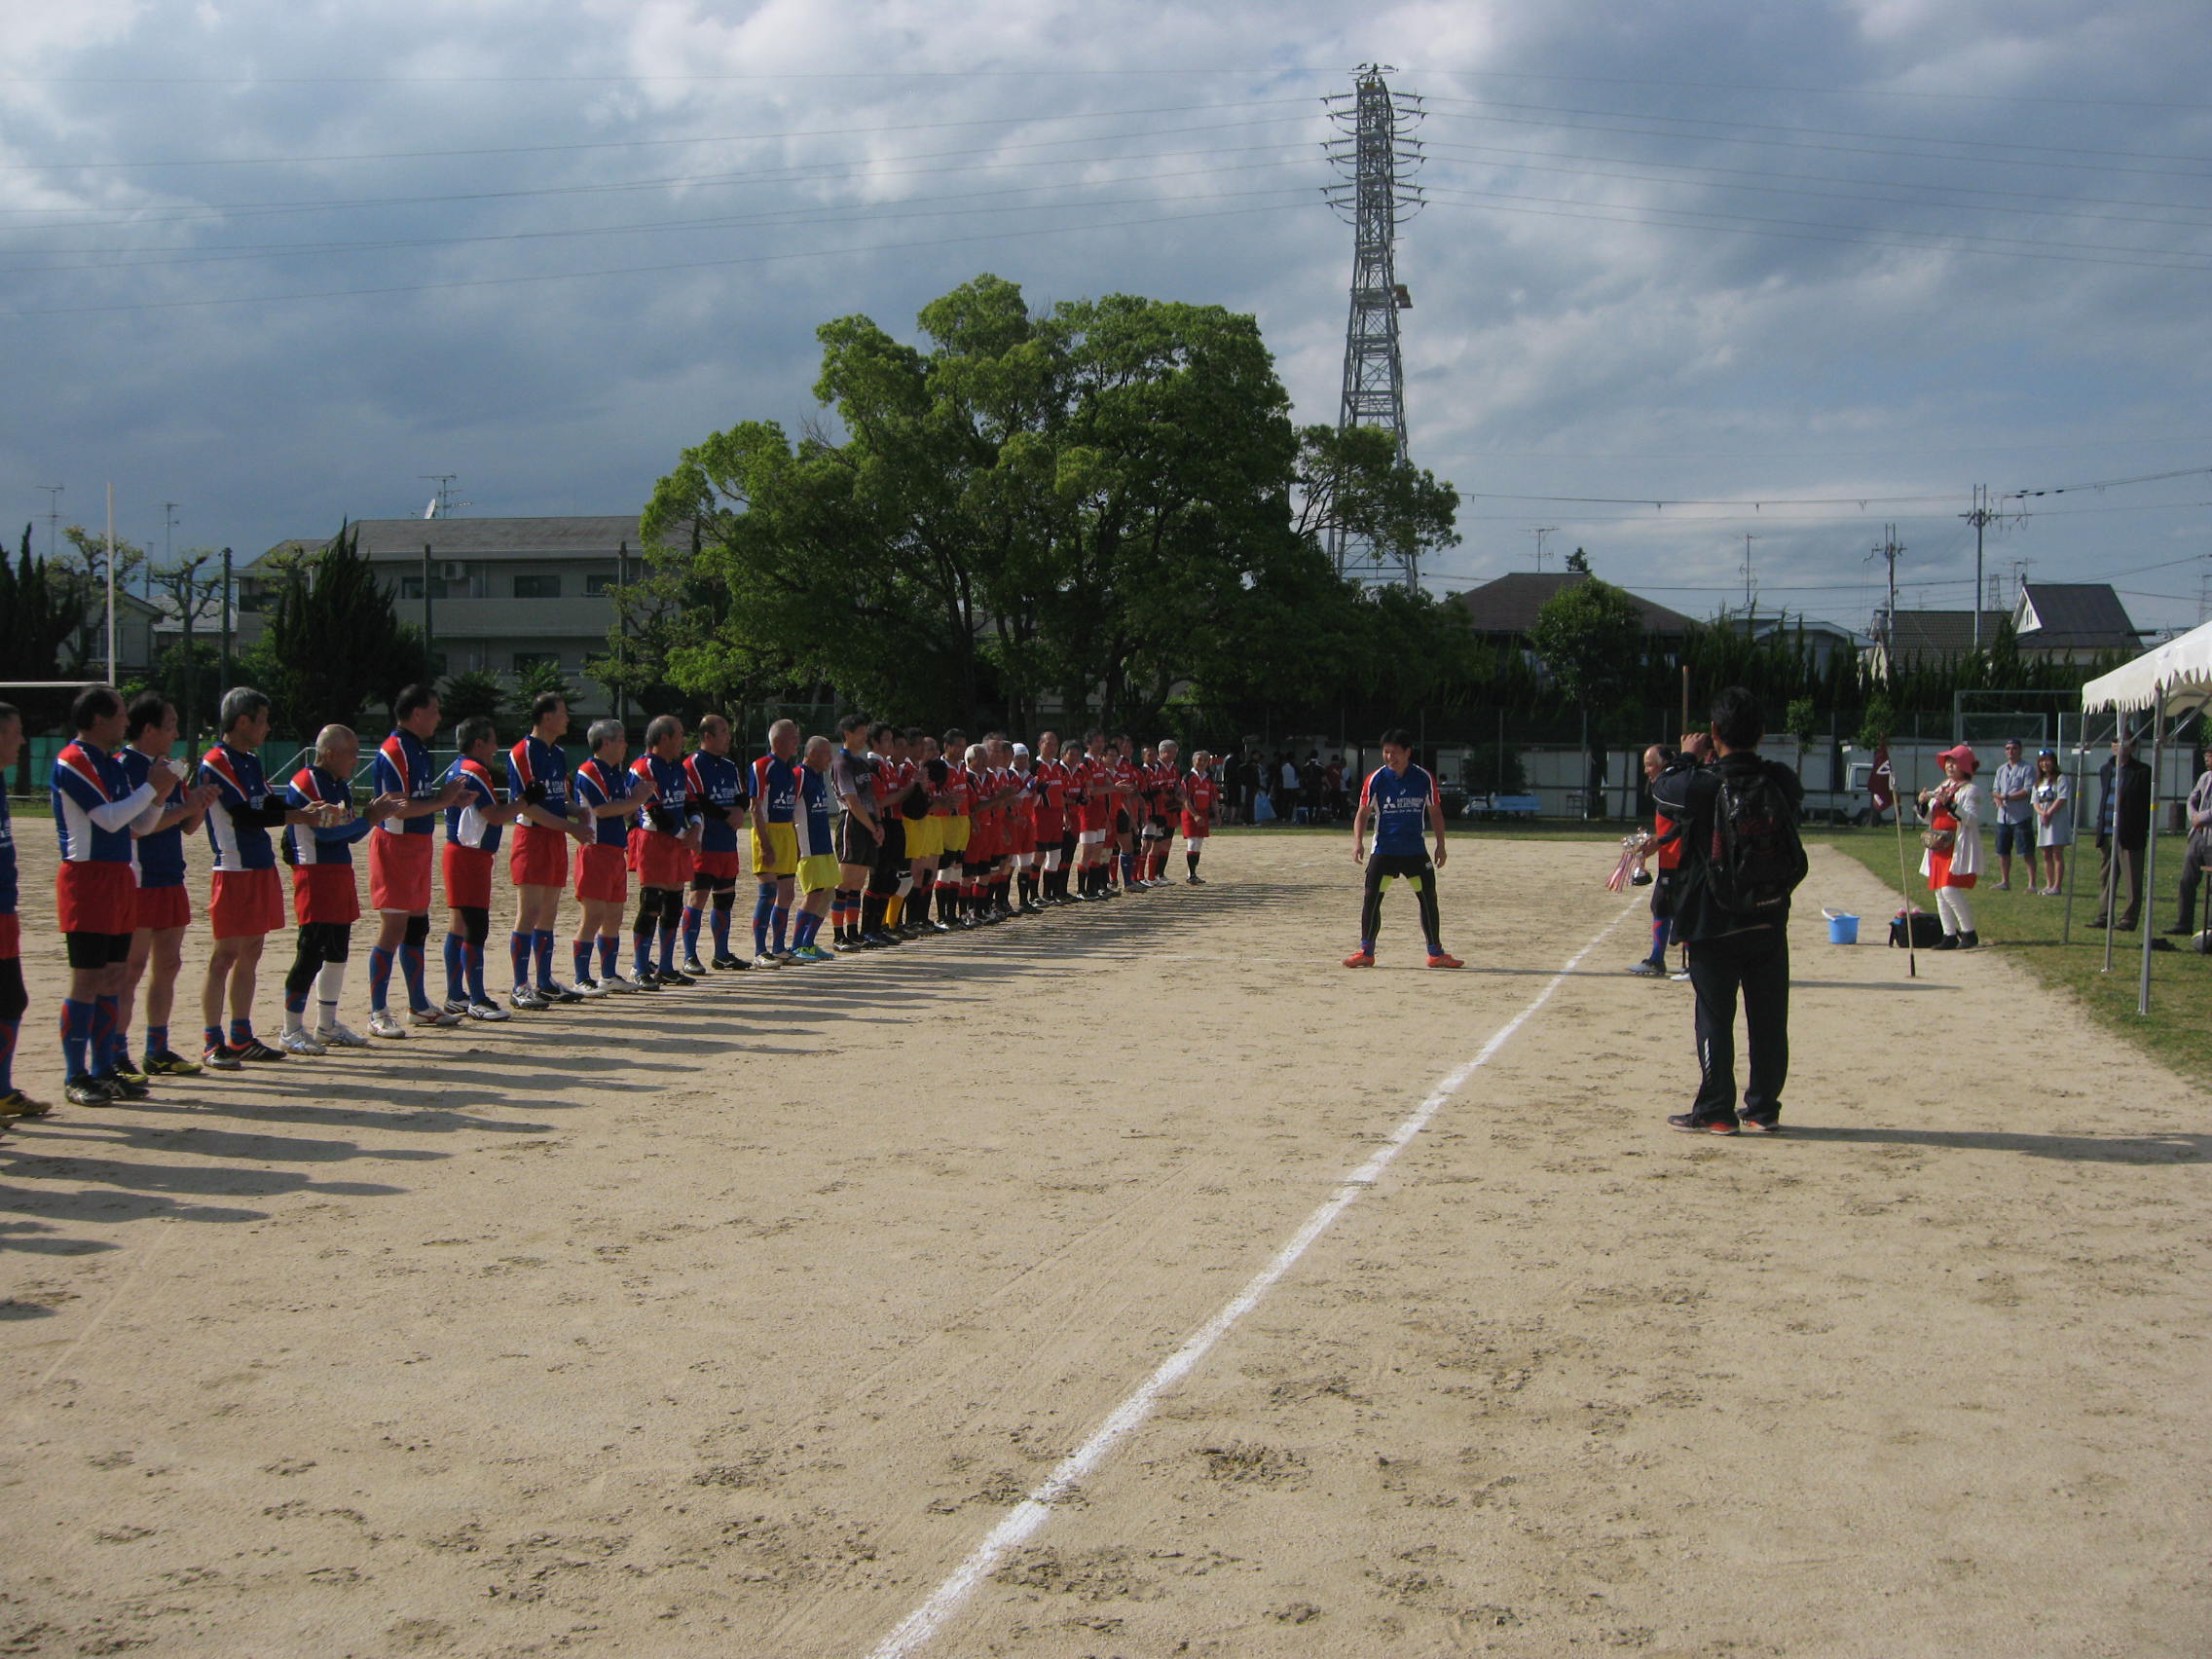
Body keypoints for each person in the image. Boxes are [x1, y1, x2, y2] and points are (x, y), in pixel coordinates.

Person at [1649, 686, 1803, 1133]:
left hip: (1712, 916)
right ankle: (1763, 1109)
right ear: (1761, 733)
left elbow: (1662, 790)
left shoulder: (1699, 782)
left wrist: (1685, 756)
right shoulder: (1779, 780)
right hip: (1768, 911)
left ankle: (1716, 1108)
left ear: (1714, 731)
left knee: (1715, 1015)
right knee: (1769, 1016)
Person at [200, 686, 345, 1071]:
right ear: (243, 721)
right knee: (225, 956)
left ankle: (241, 1035)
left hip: (259, 866)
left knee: (251, 953)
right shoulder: (216, 760)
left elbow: (267, 801)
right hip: (232, 868)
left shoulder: (248, 761)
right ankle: (213, 1040)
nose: (267, 728)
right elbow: (244, 812)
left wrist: (303, 809)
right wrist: (301, 815)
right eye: (262, 720)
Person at [47, 687, 173, 1106]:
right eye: (120, 715)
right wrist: (150, 787)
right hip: (87, 877)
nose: (126, 722)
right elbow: (108, 819)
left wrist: (159, 792)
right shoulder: (75, 759)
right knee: (88, 977)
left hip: (119, 876)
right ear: (98, 720)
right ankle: (76, 1073)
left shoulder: (107, 763)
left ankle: (104, 1067)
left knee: (115, 976)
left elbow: (138, 824)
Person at [279, 726, 405, 1052]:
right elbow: (325, 835)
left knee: (337, 951)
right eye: (350, 753)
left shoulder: (339, 785)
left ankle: (327, 1024)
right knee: (310, 951)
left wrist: (367, 819)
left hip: (339, 872)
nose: (355, 759)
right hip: (314, 873)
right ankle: (291, 1028)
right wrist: (370, 818)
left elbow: (348, 834)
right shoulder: (307, 782)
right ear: (330, 753)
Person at [117, 694, 214, 1078]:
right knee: (132, 967)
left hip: (171, 874)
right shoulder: (126, 767)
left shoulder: (169, 767)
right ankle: (117, 1051)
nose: (176, 733)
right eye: (170, 725)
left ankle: (156, 1047)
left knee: (168, 964)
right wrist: (184, 808)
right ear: (148, 729)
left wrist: (199, 804)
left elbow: (186, 826)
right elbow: (139, 826)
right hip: (140, 878)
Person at [364, 684, 468, 1037]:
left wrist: (449, 798)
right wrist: (443, 802)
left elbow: (422, 800)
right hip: (395, 846)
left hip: (419, 845)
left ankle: (418, 1004)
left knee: (417, 927)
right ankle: (378, 1010)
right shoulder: (395, 749)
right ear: (417, 713)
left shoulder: (417, 749)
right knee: (393, 928)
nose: (439, 717)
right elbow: (399, 806)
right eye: (434, 710)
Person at [1344, 727, 1462, 970]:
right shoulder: (1376, 779)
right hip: (1384, 851)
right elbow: (1363, 813)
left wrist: (1441, 845)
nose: (1389, 757)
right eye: (1386, 752)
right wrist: (1358, 842)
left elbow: (1435, 812)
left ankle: (1435, 953)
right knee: (1371, 899)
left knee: (1428, 899)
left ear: (1408, 752)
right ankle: (1366, 951)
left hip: (1415, 852)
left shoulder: (1423, 778)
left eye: (1395, 753)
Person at [506, 692, 591, 1009]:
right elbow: (529, 807)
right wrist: (573, 827)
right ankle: (519, 985)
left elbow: (557, 798)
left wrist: (576, 810)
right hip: (533, 838)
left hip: (554, 837)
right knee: (528, 911)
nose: (567, 719)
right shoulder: (524, 752)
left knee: (549, 912)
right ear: (546, 718)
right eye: (562, 713)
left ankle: (544, 981)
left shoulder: (557, 752)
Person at [439, 715, 525, 1020]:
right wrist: (525, 802)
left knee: (460, 924)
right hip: (469, 855)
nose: (495, 748)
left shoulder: (458, 766)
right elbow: (495, 814)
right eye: (491, 741)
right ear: (479, 743)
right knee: (475, 924)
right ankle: (475, 997)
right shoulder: (475, 770)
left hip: (462, 853)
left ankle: (455, 995)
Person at [570, 719, 647, 992]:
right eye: (621, 739)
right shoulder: (590, 770)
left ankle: (609, 974)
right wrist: (637, 799)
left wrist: (635, 800)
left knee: (614, 915)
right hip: (595, 849)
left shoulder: (616, 772)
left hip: (616, 850)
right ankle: (581, 977)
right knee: (593, 915)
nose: (625, 745)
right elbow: (602, 810)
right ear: (606, 743)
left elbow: (624, 810)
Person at [627, 714, 701, 986]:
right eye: (680, 735)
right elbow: (653, 810)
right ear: (664, 738)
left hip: (677, 843)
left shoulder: (678, 768)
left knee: (673, 904)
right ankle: (640, 967)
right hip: (654, 841)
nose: (684, 740)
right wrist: (686, 835)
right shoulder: (643, 767)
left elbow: (691, 801)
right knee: (651, 903)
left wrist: (695, 827)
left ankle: (667, 966)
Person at [680, 713, 751, 972]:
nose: (728, 737)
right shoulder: (694, 763)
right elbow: (697, 799)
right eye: (723, 732)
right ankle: (689, 955)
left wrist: (740, 811)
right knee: (698, 896)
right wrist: (726, 814)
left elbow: (743, 796)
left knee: (725, 898)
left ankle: (721, 953)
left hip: (727, 843)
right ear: (707, 736)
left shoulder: (730, 766)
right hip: (706, 842)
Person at [1916, 744, 1984, 950]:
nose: (1950, 766)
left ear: (1964, 766)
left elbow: (1970, 819)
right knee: (1939, 891)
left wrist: (1950, 805)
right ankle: (1949, 934)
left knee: (1949, 889)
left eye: (1955, 762)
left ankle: (1969, 932)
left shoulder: (1970, 790)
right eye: (1948, 762)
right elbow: (1929, 816)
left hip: (1956, 845)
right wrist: (1922, 803)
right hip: (1939, 845)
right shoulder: (1943, 786)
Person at [750, 718, 803, 965]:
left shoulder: (789, 771)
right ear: (778, 740)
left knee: (787, 893)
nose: (797, 742)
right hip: (768, 831)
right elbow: (755, 807)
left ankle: (779, 947)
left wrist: (795, 838)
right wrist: (765, 843)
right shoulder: (762, 766)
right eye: (793, 738)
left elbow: (791, 808)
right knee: (768, 891)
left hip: (786, 831)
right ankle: (760, 951)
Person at [0, 704, 30, 1122]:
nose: (22, 741)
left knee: (12, 999)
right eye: (15, 733)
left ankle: (3, 1092)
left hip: (5, 909)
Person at [830, 714, 880, 951]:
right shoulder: (842, 763)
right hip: (852, 823)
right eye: (861, 732)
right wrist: (871, 826)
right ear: (848, 734)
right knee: (845, 880)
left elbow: (871, 798)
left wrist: (878, 825)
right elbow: (852, 801)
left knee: (858, 881)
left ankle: (853, 931)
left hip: (868, 823)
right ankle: (839, 935)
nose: (865, 737)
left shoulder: (861, 763)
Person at [2092, 737, 2152, 932]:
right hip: (2108, 831)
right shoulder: (2106, 769)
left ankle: (2128, 919)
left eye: (2123, 742)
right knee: (2107, 877)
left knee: (2131, 879)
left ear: (2132, 747)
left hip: (2129, 833)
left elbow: (2143, 805)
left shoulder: (2142, 772)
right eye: (2115, 741)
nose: (2118, 745)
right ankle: (2103, 915)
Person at [789, 734, 840, 961]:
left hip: (824, 844)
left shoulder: (819, 777)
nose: (830, 758)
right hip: (807, 845)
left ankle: (809, 943)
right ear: (812, 754)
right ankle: (797, 945)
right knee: (813, 892)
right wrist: (793, 843)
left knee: (828, 892)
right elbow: (788, 809)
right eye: (826, 753)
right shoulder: (799, 775)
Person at [2167, 743, 2212, 935]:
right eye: (2206, 755)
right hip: (2198, 836)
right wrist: (2193, 816)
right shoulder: (2205, 777)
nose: (2206, 759)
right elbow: (2191, 799)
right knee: (2187, 880)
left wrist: (2201, 818)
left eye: (2210, 755)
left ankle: (2210, 928)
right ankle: (2183, 923)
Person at [1989, 738, 2035, 892]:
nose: (2011, 751)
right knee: (2002, 851)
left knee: (2026, 851)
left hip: (2020, 816)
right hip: (2003, 817)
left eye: (2014, 748)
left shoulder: (2027, 768)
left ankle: (2032, 884)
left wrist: (2007, 797)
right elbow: (1995, 789)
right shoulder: (2001, 769)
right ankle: (2005, 881)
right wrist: (1998, 799)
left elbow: (2027, 791)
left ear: (2020, 750)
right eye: (2008, 748)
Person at [2029, 748, 2073, 898]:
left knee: (2057, 853)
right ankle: (2049, 884)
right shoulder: (2038, 782)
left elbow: (2062, 798)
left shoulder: (2061, 779)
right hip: (2043, 822)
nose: (2045, 764)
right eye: (2042, 761)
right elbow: (2034, 801)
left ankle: (2057, 886)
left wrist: (2049, 813)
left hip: (2056, 821)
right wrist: (2042, 813)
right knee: (2046, 853)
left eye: (2047, 760)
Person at [1181, 747, 1218, 883]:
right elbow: (1184, 799)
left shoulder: (1209, 778)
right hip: (1191, 812)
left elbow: (1213, 798)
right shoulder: (1188, 777)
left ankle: (1193, 873)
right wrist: (1195, 815)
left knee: (1199, 843)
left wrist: (1217, 814)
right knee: (1192, 842)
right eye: (1199, 760)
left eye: (1205, 760)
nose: (1202, 762)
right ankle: (1191, 874)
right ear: (1193, 761)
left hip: (1203, 813)